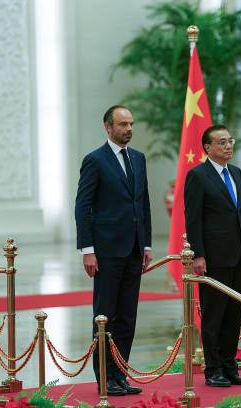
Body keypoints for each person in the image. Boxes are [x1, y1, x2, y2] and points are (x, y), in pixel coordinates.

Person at [75, 105, 152, 396]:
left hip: (133, 249)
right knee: (105, 315)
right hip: (106, 251)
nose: (128, 129)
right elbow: (83, 207)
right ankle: (105, 379)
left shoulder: (139, 159)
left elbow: (142, 204)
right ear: (108, 127)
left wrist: (145, 243)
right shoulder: (95, 160)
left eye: (131, 123)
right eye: (122, 124)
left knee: (128, 317)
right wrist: (88, 249)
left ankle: (120, 375)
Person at [184, 124, 241, 387]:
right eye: (221, 142)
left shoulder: (235, 173)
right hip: (212, 257)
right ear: (207, 148)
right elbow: (193, 218)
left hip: (236, 256)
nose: (228, 146)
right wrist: (198, 255)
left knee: (234, 314)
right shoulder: (198, 176)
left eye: (230, 141)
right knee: (214, 315)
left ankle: (229, 365)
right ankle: (213, 369)